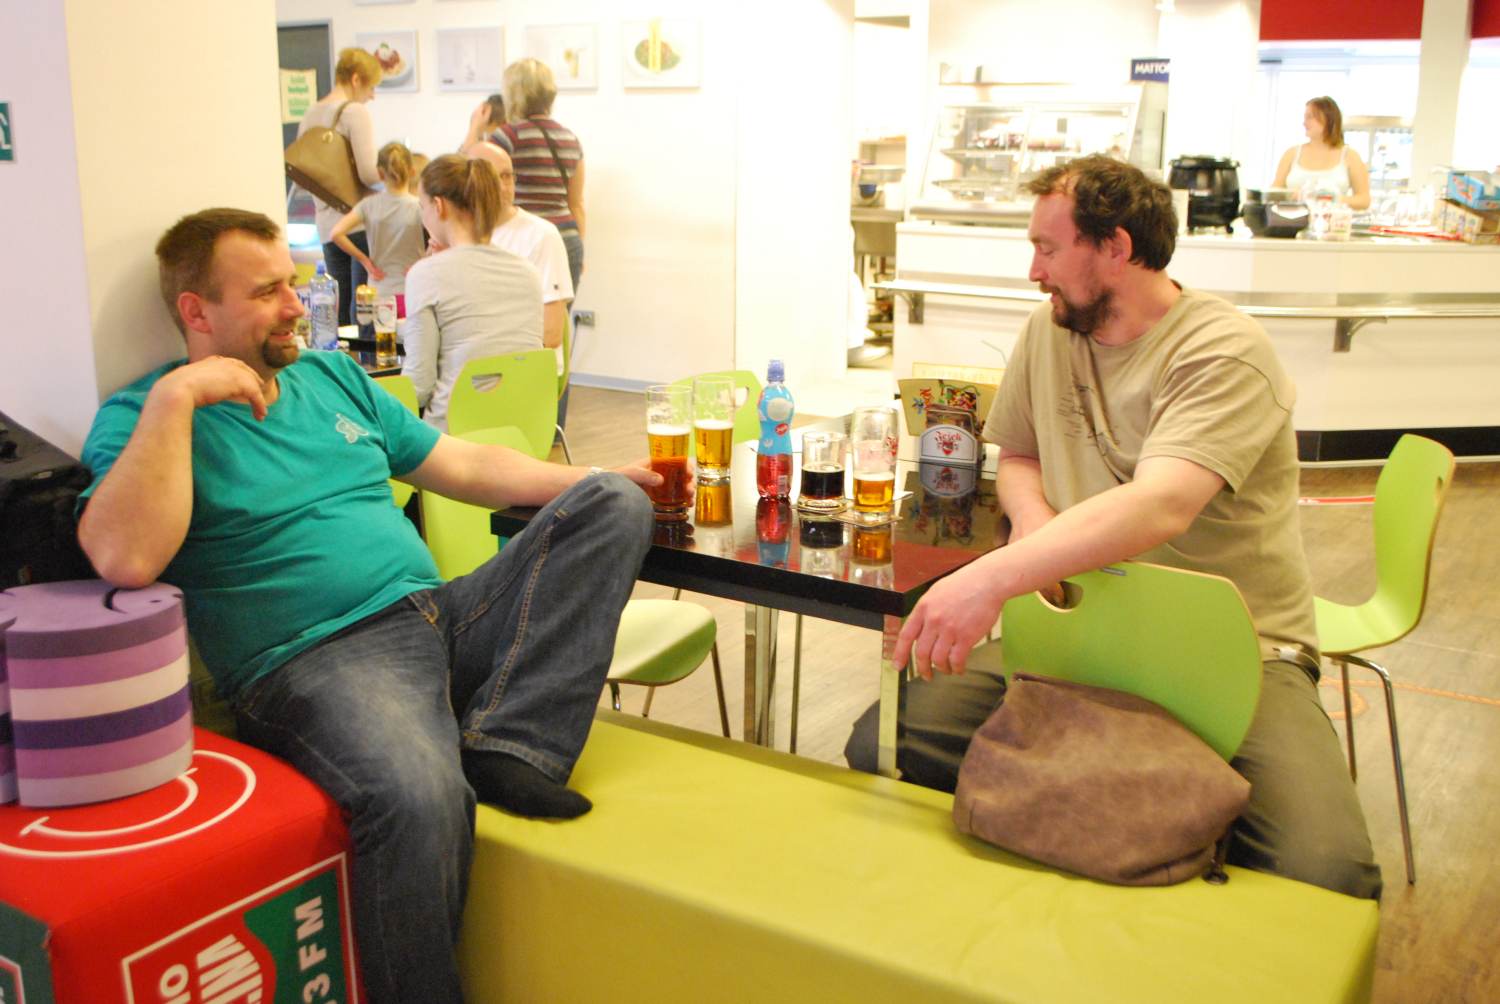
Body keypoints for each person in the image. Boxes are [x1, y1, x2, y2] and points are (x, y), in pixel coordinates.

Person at [76, 208, 660, 1002]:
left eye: (291, 283)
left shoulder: (332, 379)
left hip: (439, 616)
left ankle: (509, 746)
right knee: (418, 798)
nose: (295, 305)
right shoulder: (145, 418)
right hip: (320, 661)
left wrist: (597, 477)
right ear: (196, 312)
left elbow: (463, 465)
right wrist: (177, 400)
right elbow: (125, 557)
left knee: (613, 505)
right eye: (267, 292)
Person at [844, 155, 1382, 902]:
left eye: (1048, 248)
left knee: (1326, 872)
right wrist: (1036, 530)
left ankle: (1153, 819)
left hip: (1235, 647)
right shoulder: (1050, 328)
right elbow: (1020, 453)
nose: (1034, 271)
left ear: (1117, 248)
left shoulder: (1225, 350)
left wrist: (991, 578)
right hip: (1076, 632)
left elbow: (1162, 503)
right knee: (885, 743)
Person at [401, 154, 544, 431]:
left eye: (422, 207)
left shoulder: (426, 274)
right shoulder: (528, 273)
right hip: (523, 432)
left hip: (452, 437)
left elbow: (418, 386)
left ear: (438, 206)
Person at [298, 47, 384, 324]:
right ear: (356, 79)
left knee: (339, 310)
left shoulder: (310, 113)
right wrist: (397, 175)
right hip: (356, 224)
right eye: (371, 87)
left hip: (326, 225)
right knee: (364, 313)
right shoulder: (354, 112)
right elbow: (369, 174)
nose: (372, 95)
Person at [468, 141, 573, 352]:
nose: (503, 187)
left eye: (507, 176)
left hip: (522, 361)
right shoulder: (459, 236)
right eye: (492, 178)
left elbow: (551, 333)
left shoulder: (541, 235)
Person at [329, 141, 425, 315]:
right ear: (412, 171)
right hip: (412, 290)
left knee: (381, 333)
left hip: (379, 292)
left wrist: (365, 261)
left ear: (380, 173)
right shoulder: (419, 207)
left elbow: (336, 233)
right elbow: (442, 240)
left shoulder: (368, 205)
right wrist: (423, 261)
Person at [1272, 96, 1371, 210]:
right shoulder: (1291, 154)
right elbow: (1274, 192)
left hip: (1334, 220)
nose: (1304, 123)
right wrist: (1290, 196)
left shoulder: (1350, 156)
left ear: (1328, 119)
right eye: (1304, 117)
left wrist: (1328, 199)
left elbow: (1364, 200)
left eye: (1310, 117)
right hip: (1292, 219)